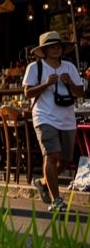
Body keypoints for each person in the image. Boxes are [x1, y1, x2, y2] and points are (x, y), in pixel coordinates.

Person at [23, 31, 84, 213]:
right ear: (44, 50)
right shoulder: (35, 68)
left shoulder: (70, 67)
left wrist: (70, 84)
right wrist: (46, 84)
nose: (56, 49)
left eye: (58, 46)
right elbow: (27, 93)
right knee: (52, 154)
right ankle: (56, 200)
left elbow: (79, 92)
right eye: (52, 46)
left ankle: (42, 183)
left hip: (67, 118)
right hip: (44, 116)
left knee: (65, 160)